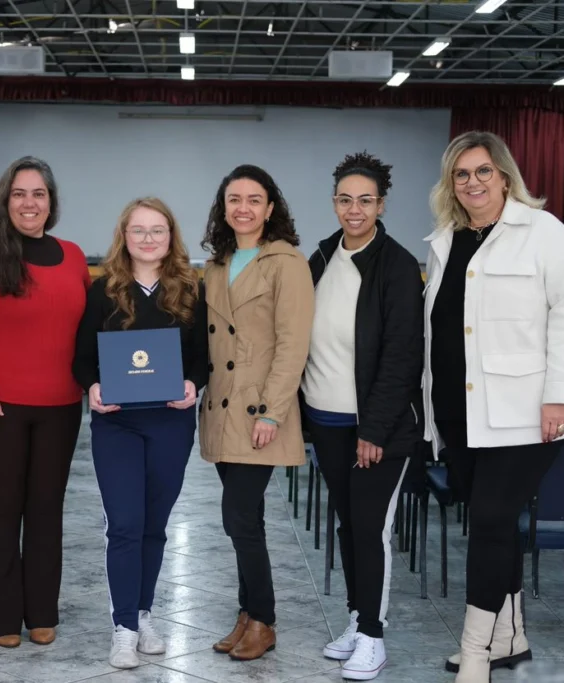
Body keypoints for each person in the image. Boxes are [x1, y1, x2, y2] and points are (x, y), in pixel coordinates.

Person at [423, 131, 564, 683]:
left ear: (504, 175)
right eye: (461, 174)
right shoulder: (445, 240)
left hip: (526, 412)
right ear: (451, 184)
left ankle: (476, 653)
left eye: (483, 171)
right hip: (460, 410)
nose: (472, 182)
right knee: (493, 524)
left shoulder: (544, 233)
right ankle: (510, 636)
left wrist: (560, 396)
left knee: (491, 519)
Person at [0, 156, 91, 648]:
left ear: (51, 202)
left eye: (38, 194)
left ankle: (42, 612)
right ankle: (2, 618)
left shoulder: (73, 256)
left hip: (62, 406)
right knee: (3, 511)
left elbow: (90, 328)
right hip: (0, 407)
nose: (29, 203)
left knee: (47, 511)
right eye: (19, 194)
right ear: (5, 201)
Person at [302, 153, 424, 681]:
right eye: (346, 200)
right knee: (349, 524)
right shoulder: (322, 256)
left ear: (381, 205)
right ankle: (358, 618)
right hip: (326, 419)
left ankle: (373, 636)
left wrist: (374, 429)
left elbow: (402, 356)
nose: (355, 210)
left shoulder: (396, 266)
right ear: (334, 203)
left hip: (378, 427)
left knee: (371, 527)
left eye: (365, 201)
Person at [72, 197, 208, 669]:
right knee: (125, 525)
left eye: (157, 230)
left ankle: (144, 614)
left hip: (171, 423)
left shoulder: (191, 289)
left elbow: (202, 356)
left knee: (154, 527)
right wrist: (92, 387)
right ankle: (124, 627)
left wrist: (193, 384)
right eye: (138, 230)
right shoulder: (103, 290)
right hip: (118, 424)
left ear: (171, 237)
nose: (148, 239)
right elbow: (81, 358)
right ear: (124, 237)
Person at [199, 164, 315, 662]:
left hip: (259, 411)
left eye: (253, 200)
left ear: (270, 208)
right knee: (244, 520)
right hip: (221, 407)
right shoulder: (216, 264)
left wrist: (271, 412)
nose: (242, 208)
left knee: (239, 517)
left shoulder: (287, 262)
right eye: (234, 199)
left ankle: (263, 620)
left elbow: (293, 345)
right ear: (223, 208)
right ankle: (247, 615)